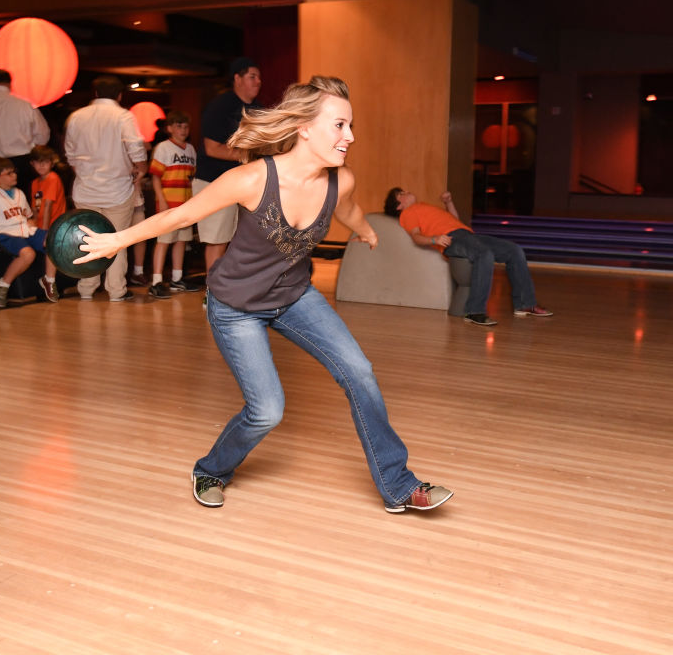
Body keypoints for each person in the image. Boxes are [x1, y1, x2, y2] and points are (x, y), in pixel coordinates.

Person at [74, 76, 453, 514]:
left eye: (351, 126)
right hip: (236, 308)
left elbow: (344, 207)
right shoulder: (253, 178)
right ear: (305, 127)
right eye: (340, 125)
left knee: (360, 372)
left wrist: (365, 229)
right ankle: (211, 469)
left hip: (295, 297)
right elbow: (182, 213)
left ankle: (399, 485)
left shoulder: (339, 179)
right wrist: (116, 241)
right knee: (267, 410)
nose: (350, 136)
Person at [383, 187, 552, 326]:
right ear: (399, 206)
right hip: (452, 240)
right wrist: (435, 239)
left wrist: (448, 202)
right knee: (484, 254)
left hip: (466, 234)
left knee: (514, 250)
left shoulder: (424, 206)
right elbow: (416, 236)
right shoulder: (408, 213)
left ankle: (524, 304)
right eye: (401, 194)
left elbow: (455, 220)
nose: (407, 192)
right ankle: (474, 311)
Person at [63, 75, 147, 302]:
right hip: (117, 190)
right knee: (116, 240)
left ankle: (87, 288)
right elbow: (135, 146)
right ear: (120, 95)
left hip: (85, 190)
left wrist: (83, 171)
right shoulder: (123, 116)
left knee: (87, 240)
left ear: (96, 94)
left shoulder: (76, 117)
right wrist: (141, 167)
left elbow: (70, 153)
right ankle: (116, 291)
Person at [194, 56, 261, 277]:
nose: (258, 81)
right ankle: (212, 293)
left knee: (242, 241)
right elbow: (212, 148)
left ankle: (232, 289)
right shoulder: (220, 106)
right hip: (215, 182)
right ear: (237, 78)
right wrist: (248, 156)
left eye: (259, 77)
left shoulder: (259, 110)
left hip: (247, 184)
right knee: (217, 240)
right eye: (252, 76)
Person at [0, 157, 59, 306]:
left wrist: (34, 227)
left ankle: (48, 280)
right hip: (6, 233)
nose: (14, 175)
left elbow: (28, 216)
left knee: (54, 240)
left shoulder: (19, 193)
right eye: (9, 173)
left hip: (25, 230)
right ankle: (3, 284)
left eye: (14, 172)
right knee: (28, 254)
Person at [147, 110, 200, 299]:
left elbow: (192, 177)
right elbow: (155, 176)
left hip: (185, 203)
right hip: (168, 201)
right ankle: (156, 281)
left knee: (181, 240)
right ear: (169, 128)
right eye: (178, 126)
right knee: (163, 241)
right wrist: (161, 198)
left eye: (186, 126)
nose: (183, 130)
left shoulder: (191, 149)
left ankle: (177, 278)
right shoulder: (163, 147)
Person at [28, 145, 67, 231]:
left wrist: (43, 232)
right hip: (40, 225)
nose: (41, 165)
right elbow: (35, 207)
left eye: (45, 162)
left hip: (53, 226)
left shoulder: (53, 178)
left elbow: (47, 206)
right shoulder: (35, 183)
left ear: (52, 163)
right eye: (38, 162)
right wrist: (35, 224)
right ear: (32, 163)